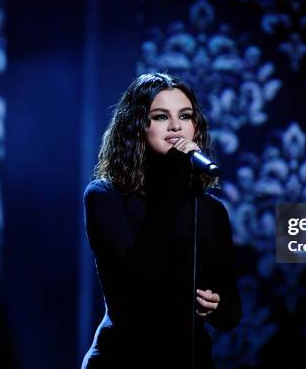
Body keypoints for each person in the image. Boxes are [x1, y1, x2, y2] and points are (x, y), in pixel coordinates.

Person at [81, 73, 241, 368]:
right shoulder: (106, 197)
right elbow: (135, 290)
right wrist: (175, 181)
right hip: (123, 359)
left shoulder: (211, 210)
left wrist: (215, 305)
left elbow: (230, 312)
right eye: (160, 116)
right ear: (137, 126)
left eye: (185, 116)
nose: (175, 126)